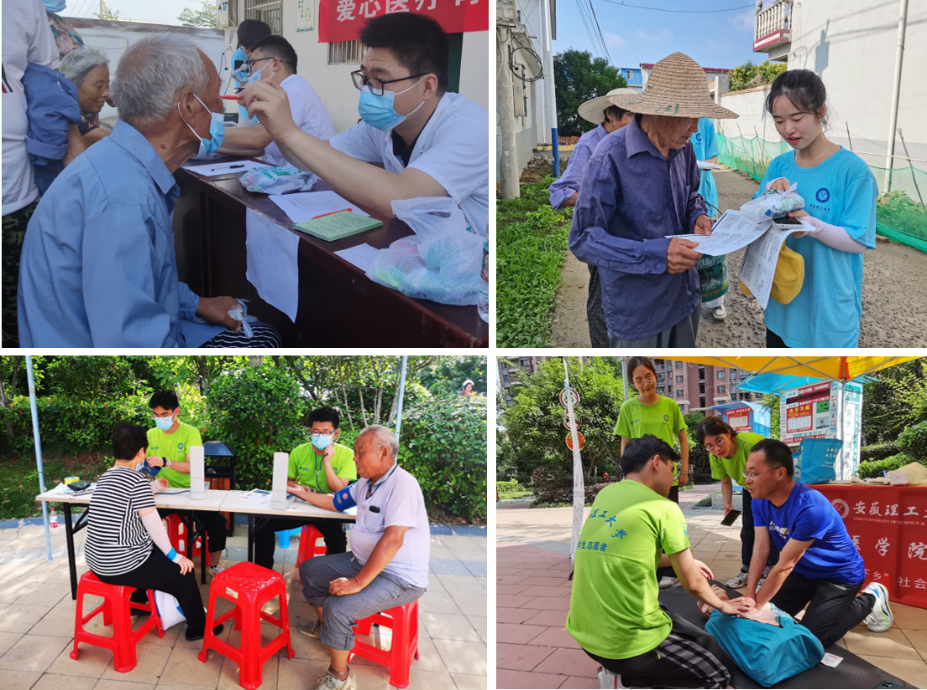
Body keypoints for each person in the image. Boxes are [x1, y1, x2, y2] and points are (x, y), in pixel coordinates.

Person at [15, 33, 282, 348]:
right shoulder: (125, 199)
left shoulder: (121, 165)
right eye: (214, 98)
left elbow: (144, 284)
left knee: (253, 326)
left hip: (119, 327)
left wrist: (198, 304)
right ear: (188, 106)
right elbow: (131, 342)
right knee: (265, 337)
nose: (220, 107)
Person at [237, 13, 488, 236]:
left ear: (427, 86)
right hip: (421, 245)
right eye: (365, 77)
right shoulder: (382, 126)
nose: (367, 90)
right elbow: (309, 158)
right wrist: (276, 126)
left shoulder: (469, 128)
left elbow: (400, 197)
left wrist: (290, 132)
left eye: (379, 79)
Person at [569, 52, 740, 348]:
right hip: (638, 313)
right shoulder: (609, 155)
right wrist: (657, 255)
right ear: (659, 111)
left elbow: (691, 196)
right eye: (689, 116)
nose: (696, 128)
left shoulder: (683, 150)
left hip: (685, 298)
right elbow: (583, 239)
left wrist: (698, 216)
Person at [566, 435, 749, 690]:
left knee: (694, 635)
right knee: (718, 674)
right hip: (625, 646)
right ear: (656, 462)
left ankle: (635, 678)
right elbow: (694, 584)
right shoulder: (663, 507)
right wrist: (722, 605)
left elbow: (630, 551)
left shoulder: (606, 495)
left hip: (585, 634)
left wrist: (683, 561)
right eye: (672, 470)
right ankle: (635, 679)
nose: (672, 479)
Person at [292, 425, 429, 690]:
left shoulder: (402, 486)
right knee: (310, 570)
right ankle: (328, 629)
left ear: (383, 452)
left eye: (360, 452)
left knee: (339, 607)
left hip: (400, 576)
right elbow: (335, 502)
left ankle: (339, 675)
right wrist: (302, 494)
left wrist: (357, 583)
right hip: (362, 561)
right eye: (355, 451)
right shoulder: (366, 482)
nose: (354, 457)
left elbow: (393, 540)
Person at [755, 70, 877, 348]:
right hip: (783, 306)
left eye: (797, 119)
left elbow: (858, 241)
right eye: (779, 121)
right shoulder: (779, 166)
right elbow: (757, 219)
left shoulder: (852, 171)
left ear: (820, 111)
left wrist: (811, 225)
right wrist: (770, 194)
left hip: (828, 312)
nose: (788, 129)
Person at [741, 439, 893, 648]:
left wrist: (755, 608)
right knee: (767, 620)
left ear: (780, 473)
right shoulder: (759, 499)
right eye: (746, 473)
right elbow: (760, 548)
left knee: (811, 639)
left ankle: (870, 599)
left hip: (838, 576)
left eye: (754, 473)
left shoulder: (810, 506)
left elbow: (785, 565)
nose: (747, 481)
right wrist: (750, 596)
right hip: (803, 573)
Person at [84, 422, 223, 641]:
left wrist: (155, 487)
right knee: (183, 573)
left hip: (97, 561)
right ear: (141, 453)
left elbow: (129, 497)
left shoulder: (105, 478)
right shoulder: (136, 479)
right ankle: (198, 627)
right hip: (121, 565)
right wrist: (175, 556)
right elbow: (154, 525)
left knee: (154, 554)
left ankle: (138, 602)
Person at [1, 0, 81, 348]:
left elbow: (49, 88)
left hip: (15, 198)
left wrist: (76, 175)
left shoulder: (23, 4)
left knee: (20, 319)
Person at [549, 88, 636, 348]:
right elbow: (561, 193)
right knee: (602, 299)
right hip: (602, 236)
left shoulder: (633, 140)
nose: (638, 123)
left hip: (630, 233)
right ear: (610, 114)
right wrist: (604, 197)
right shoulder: (590, 144)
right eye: (632, 115)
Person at [615, 356, 688, 588]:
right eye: (638, 379)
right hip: (639, 478)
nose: (645, 383)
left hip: (666, 476)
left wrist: (684, 469)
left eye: (649, 376)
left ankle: (670, 570)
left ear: (656, 376)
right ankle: (647, 567)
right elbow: (624, 444)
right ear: (632, 382)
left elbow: (683, 439)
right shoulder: (628, 408)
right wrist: (625, 475)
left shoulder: (670, 405)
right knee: (643, 523)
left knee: (667, 523)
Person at [253, 407, 358, 570]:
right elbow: (288, 482)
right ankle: (263, 573)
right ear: (310, 432)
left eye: (326, 432)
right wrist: (298, 487)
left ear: (335, 433)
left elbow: (339, 490)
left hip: (329, 508)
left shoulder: (347, 455)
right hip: (301, 505)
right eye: (316, 432)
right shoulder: (298, 452)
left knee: (337, 538)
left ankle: (328, 579)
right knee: (263, 525)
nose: (320, 436)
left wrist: (327, 462)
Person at [144, 389, 227, 576]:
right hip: (161, 493)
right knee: (139, 520)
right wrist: (148, 474)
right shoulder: (150, 434)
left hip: (190, 492)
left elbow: (194, 467)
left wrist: (166, 462)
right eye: (156, 415)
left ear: (176, 412)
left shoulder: (190, 433)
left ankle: (214, 565)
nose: (160, 419)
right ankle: (148, 563)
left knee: (217, 523)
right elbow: (144, 467)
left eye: (164, 414)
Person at [218, 34, 334, 165]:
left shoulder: (293, 90)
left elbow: (258, 137)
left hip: (312, 182)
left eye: (253, 64)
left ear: (275, 64)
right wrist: (211, 146)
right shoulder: (278, 94)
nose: (250, 73)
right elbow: (260, 148)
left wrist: (206, 135)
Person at [696, 416, 778, 589]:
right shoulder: (716, 457)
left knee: (767, 530)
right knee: (748, 530)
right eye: (709, 446)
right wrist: (727, 504)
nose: (716, 449)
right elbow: (725, 481)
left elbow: (768, 474)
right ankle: (746, 570)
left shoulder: (750, 446)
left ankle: (768, 571)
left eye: (719, 441)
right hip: (750, 488)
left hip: (770, 485)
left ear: (728, 433)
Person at [699, 584, 825, 687]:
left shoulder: (713, 625)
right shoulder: (715, 623)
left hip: (768, 660)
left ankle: (711, 602)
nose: (715, 587)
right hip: (810, 645)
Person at [691, 117, 729, 321]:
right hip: (682, 197)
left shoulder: (706, 123)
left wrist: (706, 165)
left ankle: (717, 302)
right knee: (688, 248)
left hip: (705, 193)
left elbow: (714, 155)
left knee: (712, 252)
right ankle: (689, 301)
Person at [58, 47, 111, 146]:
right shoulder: (70, 119)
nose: (106, 93)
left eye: (107, 86)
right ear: (72, 85)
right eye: (99, 86)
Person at [230, 19, 272, 127]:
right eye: (246, 50)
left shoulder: (269, 56)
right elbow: (243, 87)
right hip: (247, 114)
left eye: (253, 50)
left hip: (267, 110)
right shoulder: (238, 58)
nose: (249, 55)